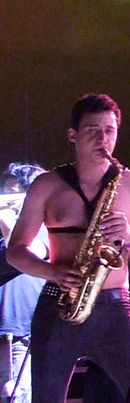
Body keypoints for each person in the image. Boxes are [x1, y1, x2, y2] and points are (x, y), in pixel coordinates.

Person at [7, 93, 130, 402]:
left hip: (115, 308)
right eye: (92, 130)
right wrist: (52, 272)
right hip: (58, 302)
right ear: (72, 135)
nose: (103, 139)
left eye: (110, 130)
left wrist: (129, 236)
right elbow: (15, 252)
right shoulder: (47, 184)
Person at [0, 163, 47, 403]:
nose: (8, 200)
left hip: (17, 338)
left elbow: (30, 252)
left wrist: (6, 216)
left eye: (15, 195)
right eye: (5, 193)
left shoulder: (43, 230)